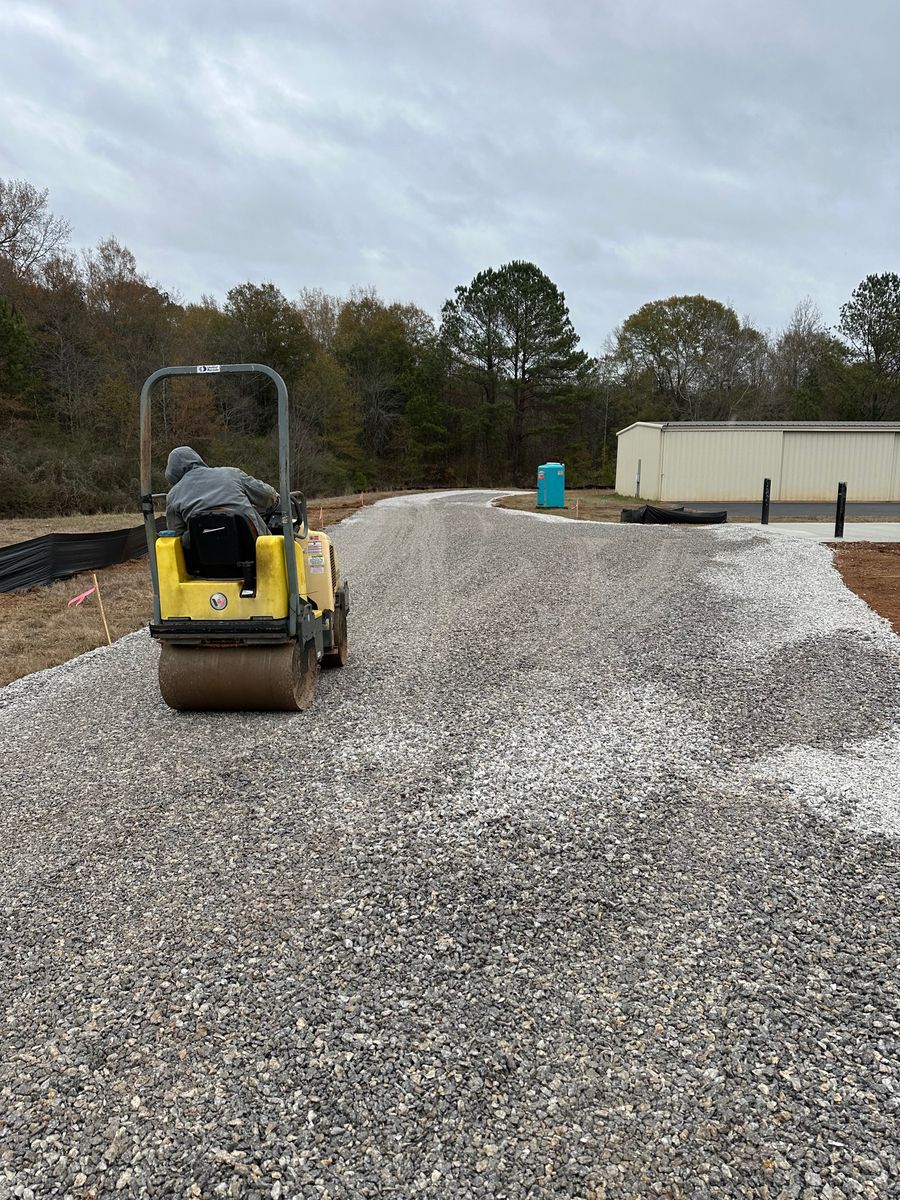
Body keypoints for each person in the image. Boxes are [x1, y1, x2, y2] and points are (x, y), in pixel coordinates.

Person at [164, 446, 278, 537]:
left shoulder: (173, 495)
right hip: (252, 552)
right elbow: (267, 497)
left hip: (204, 560)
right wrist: (275, 499)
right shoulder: (231, 474)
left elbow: (176, 533)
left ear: (172, 472)